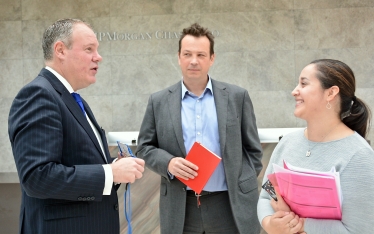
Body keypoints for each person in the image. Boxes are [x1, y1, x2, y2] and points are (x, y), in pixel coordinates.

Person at [8, 18, 145, 234]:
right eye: (89, 49)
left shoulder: (73, 99)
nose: (98, 57)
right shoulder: (38, 95)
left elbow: (77, 161)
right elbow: (37, 176)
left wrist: (115, 166)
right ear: (60, 50)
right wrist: (110, 173)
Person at [136, 23, 263, 234]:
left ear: (212, 58)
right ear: (178, 57)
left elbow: (253, 150)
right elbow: (144, 148)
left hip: (229, 204)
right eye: (187, 54)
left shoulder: (236, 97)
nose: (194, 61)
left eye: (201, 55)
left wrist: (242, 180)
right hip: (181, 207)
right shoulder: (158, 101)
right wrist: (168, 163)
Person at [257, 59, 374, 234]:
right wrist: (269, 223)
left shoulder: (359, 156)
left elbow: (359, 229)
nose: (294, 91)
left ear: (331, 93)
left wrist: (300, 225)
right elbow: (267, 195)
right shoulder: (287, 143)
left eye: (303, 84)